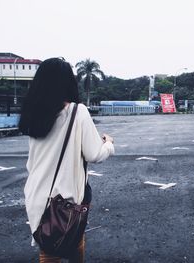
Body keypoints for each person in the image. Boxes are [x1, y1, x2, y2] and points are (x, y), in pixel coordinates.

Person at [19, 58, 114, 262]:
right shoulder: (77, 112)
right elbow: (94, 154)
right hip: (64, 199)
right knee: (63, 245)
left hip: (36, 195)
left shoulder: (34, 114)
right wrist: (108, 144)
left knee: (56, 244)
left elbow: (32, 161)